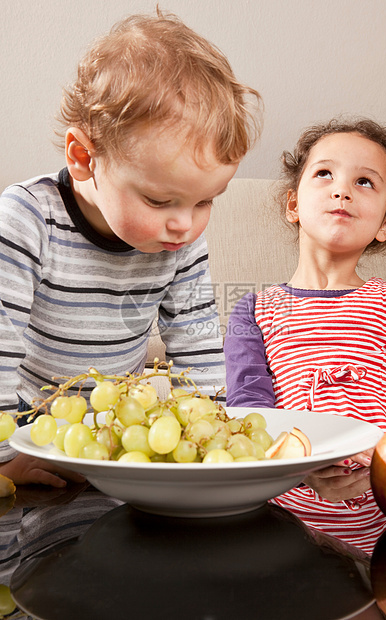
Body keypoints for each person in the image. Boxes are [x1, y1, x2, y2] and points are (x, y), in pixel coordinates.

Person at [0, 10, 261, 487]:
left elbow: (198, 344)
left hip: (113, 444)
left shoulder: (179, 239)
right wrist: (3, 457)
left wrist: (213, 439)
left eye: (205, 201)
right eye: (160, 200)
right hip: (28, 440)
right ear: (84, 158)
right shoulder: (28, 218)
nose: (185, 224)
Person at [224, 117, 386, 554]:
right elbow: (250, 415)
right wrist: (298, 468)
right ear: (293, 205)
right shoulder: (253, 310)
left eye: (365, 181)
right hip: (289, 530)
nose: (341, 189)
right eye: (325, 173)